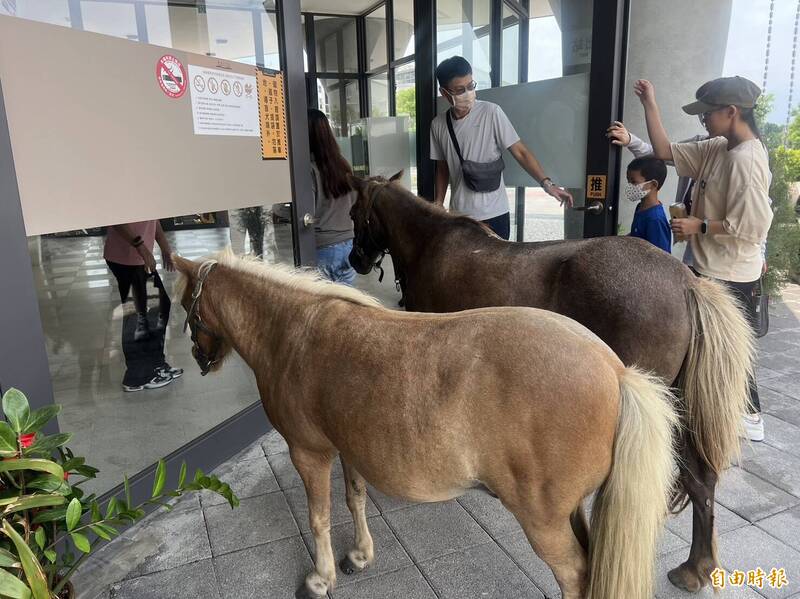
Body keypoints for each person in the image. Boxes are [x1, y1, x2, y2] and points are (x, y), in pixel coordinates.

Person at [636, 75, 773, 441]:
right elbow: (664, 151)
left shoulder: (748, 160)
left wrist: (700, 226)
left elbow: (754, 227)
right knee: (707, 344)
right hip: (704, 264)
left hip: (730, 273)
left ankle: (749, 415)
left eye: (707, 115)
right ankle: (710, 410)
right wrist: (650, 102)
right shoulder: (718, 147)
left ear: (732, 112)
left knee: (726, 350)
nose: (704, 122)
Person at [430, 56, 573, 240]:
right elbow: (442, 168)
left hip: (494, 215)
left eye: (471, 86)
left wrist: (548, 184)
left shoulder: (491, 112)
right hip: (459, 217)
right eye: (460, 90)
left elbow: (520, 152)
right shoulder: (438, 124)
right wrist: (439, 205)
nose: (468, 93)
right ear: (444, 93)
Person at [104, 221, 183, 392]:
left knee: (159, 307)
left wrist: (165, 248)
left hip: (138, 257)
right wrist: (141, 248)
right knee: (137, 314)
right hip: (126, 258)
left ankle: (155, 365)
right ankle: (136, 376)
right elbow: (117, 220)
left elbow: (153, 220)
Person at [307, 109, 357, 285]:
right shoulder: (343, 164)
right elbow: (355, 201)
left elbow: (305, 213)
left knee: (324, 309)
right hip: (348, 245)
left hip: (323, 248)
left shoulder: (309, 170)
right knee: (346, 307)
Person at [625, 156, 671, 253]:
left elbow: (661, 258)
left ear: (653, 184)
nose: (629, 186)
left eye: (633, 182)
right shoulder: (640, 207)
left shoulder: (655, 219)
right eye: (628, 181)